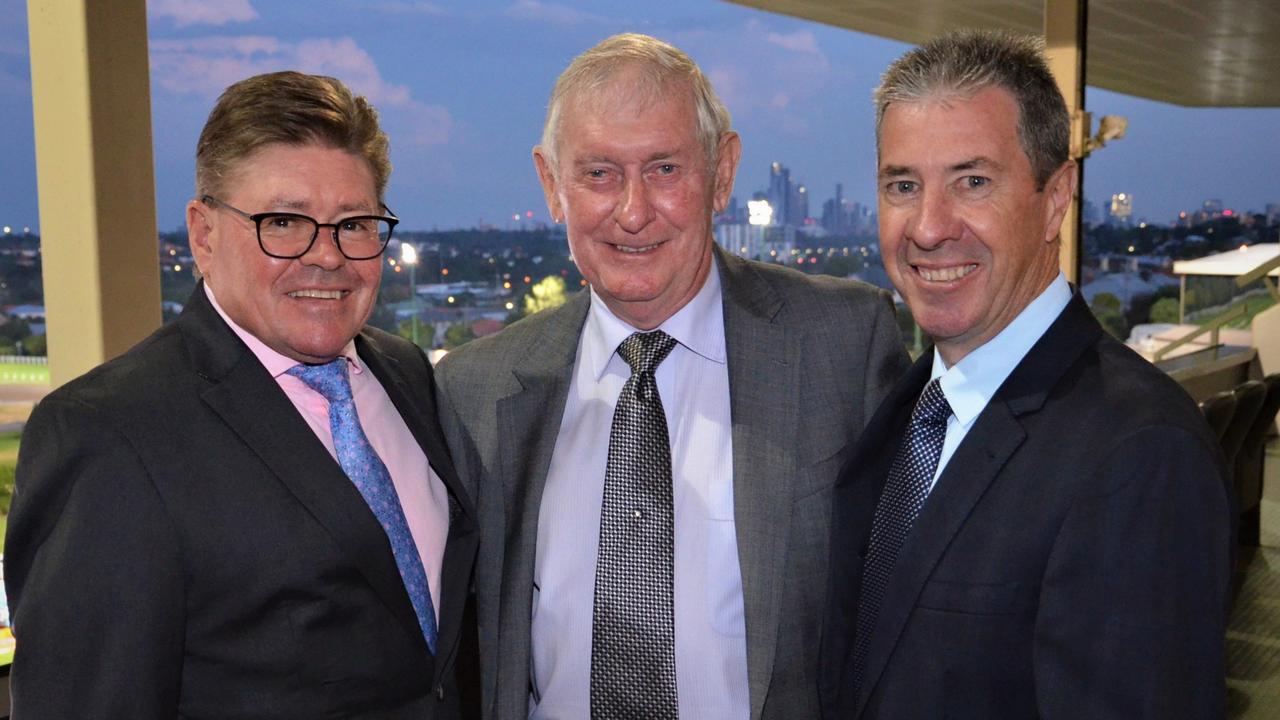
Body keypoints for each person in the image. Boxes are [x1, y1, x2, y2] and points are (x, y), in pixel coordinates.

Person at [434, 33, 908, 720]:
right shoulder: (474, 390)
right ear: (550, 185)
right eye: (598, 174)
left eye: (663, 169)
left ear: (722, 172)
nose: (632, 211)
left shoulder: (843, 343)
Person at [4, 71, 477, 719]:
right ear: (203, 233)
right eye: (283, 222)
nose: (327, 256)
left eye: (355, 223)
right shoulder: (110, 434)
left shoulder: (406, 374)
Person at [821, 30, 1233, 719]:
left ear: (1055, 197)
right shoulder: (908, 408)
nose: (928, 227)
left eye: (972, 181)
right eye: (903, 185)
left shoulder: (1140, 453)